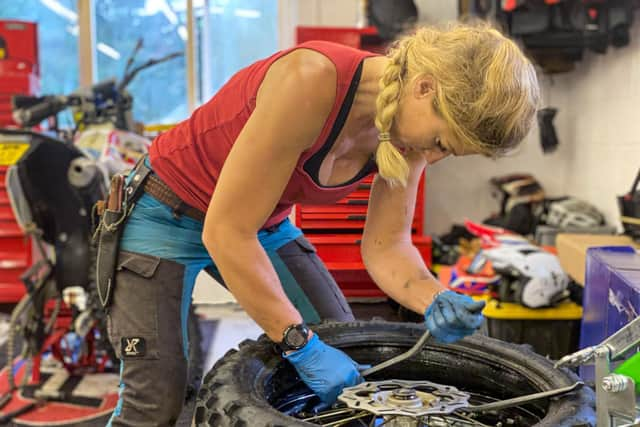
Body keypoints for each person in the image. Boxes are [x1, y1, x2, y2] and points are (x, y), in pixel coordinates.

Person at [98, 20, 540, 426]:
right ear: (425, 87)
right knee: (158, 399)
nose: (435, 156)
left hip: (258, 222)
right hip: (165, 215)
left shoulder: (408, 130)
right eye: (442, 142)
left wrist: (435, 297)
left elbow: (387, 248)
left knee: (347, 353)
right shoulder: (309, 81)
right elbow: (226, 233)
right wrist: (297, 343)